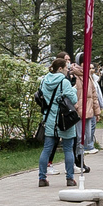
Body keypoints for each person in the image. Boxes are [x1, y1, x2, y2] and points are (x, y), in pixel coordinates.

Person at [35, 53, 80, 186]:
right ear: (60, 69)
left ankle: (42, 178)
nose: (67, 70)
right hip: (64, 119)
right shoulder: (64, 82)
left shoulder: (44, 80)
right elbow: (74, 99)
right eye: (66, 68)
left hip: (49, 118)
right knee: (68, 148)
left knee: (47, 148)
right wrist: (73, 89)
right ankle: (70, 178)